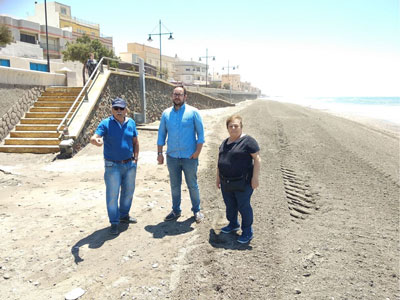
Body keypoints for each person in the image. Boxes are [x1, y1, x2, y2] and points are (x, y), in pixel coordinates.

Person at [90, 98, 139, 235]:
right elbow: (95, 137)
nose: (118, 111)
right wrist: (96, 141)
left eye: (121, 108)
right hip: (112, 166)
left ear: (126, 110)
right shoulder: (106, 123)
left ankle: (124, 216)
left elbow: (135, 142)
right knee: (112, 194)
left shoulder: (131, 123)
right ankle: (114, 222)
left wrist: (135, 159)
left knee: (128, 192)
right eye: (116, 108)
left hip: (129, 164)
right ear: (111, 109)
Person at [157, 85, 205, 223]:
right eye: (175, 94)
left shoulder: (193, 112)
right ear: (172, 96)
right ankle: (176, 210)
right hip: (172, 157)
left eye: (180, 94)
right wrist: (159, 153)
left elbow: (200, 135)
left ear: (185, 96)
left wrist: (197, 152)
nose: (177, 96)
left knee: (192, 185)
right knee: (174, 185)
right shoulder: (166, 114)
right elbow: (161, 134)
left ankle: (197, 210)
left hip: (189, 157)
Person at [216, 115, 261, 243]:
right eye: (231, 126)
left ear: (241, 127)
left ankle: (247, 231)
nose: (234, 128)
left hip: (243, 182)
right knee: (230, 205)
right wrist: (218, 178)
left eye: (236, 126)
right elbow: (219, 161)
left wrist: (255, 178)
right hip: (226, 182)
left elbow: (257, 159)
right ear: (227, 128)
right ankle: (233, 224)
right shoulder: (224, 143)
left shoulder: (248, 141)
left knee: (243, 206)